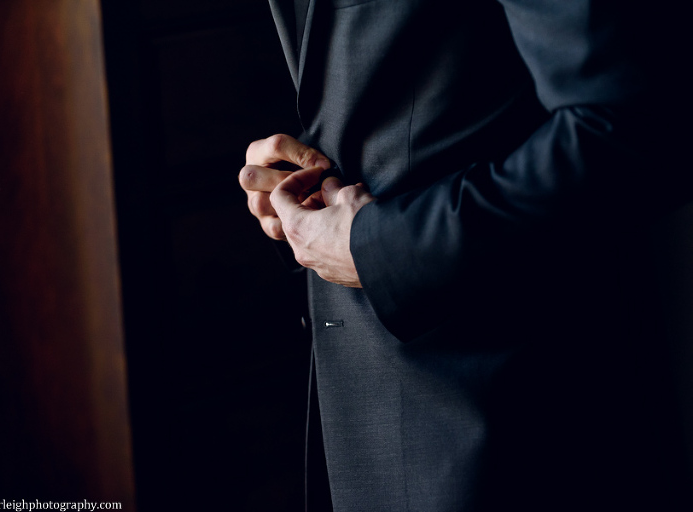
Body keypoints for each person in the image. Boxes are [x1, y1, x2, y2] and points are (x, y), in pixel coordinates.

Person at [239, 0, 693, 510]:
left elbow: (633, 126)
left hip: (520, 427)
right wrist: (303, 207)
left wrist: (381, 248)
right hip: (365, 423)